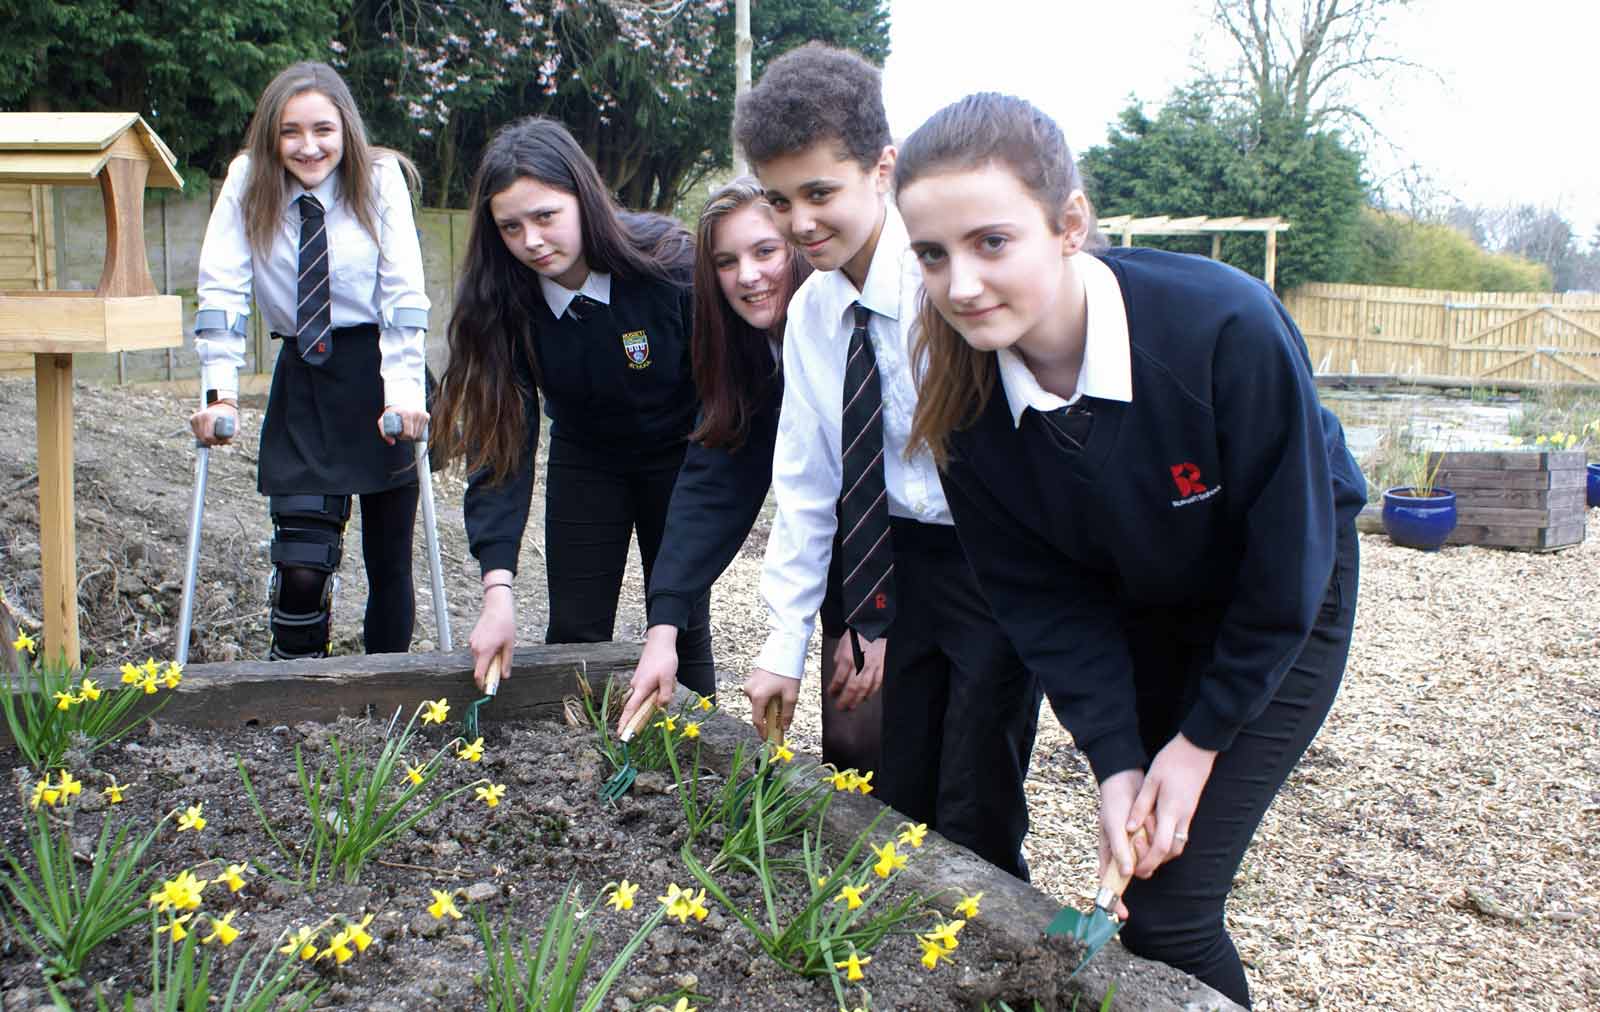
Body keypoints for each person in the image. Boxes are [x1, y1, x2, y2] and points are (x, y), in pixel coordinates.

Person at [893, 92, 1367, 1007]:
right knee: (1138, 864)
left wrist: (1197, 743)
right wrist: (1116, 758)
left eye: (992, 242)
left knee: (1171, 911)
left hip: (1283, 602)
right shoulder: (963, 413)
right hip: (1141, 599)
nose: (960, 285)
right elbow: (1046, 606)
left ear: (1069, 225)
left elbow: (1286, 568)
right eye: (932, 255)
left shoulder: (1225, 327)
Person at [733, 45, 1041, 879]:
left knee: (977, 794)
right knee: (885, 791)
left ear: (882, 169)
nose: (798, 223)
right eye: (778, 199)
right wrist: (786, 639)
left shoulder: (951, 289)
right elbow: (805, 484)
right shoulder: (811, 314)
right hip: (886, 561)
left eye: (820, 193)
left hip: (988, 563)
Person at [432, 116, 713, 696]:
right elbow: (501, 450)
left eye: (545, 217)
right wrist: (497, 591)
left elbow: (720, 402)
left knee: (683, 629)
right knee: (576, 633)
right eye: (511, 226)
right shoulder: (504, 304)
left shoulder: (671, 267)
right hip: (586, 459)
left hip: (681, 457)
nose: (531, 241)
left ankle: (704, 770)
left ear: (583, 199)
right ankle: (582, 760)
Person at [616, 178, 880, 774]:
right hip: (840, 556)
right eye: (726, 262)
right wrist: (663, 629)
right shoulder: (748, 357)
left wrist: (878, 616)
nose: (749, 276)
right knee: (858, 752)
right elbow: (711, 487)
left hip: (915, 560)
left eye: (765, 251)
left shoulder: (855, 326)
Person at [189, 60, 430, 661]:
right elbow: (221, 291)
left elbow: (403, 293)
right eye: (291, 131)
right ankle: (295, 685)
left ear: (345, 128)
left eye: (323, 129)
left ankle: (387, 685)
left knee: (388, 559)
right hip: (303, 374)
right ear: (272, 135)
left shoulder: (380, 179)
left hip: (377, 375)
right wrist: (218, 392)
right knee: (301, 562)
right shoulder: (248, 179)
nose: (308, 146)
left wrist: (404, 391)